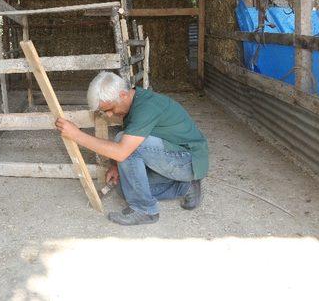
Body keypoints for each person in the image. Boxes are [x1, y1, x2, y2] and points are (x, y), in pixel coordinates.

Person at [55, 71, 209, 225]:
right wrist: (116, 166)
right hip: (172, 157)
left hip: (188, 160)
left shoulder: (146, 107)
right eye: (104, 111)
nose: (108, 115)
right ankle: (185, 186)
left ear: (123, 95)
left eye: (110, 109)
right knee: (125, 189)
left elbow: (122, 151)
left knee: (122, 142)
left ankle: (145, 210)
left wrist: (77, 135)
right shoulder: (133, 102)